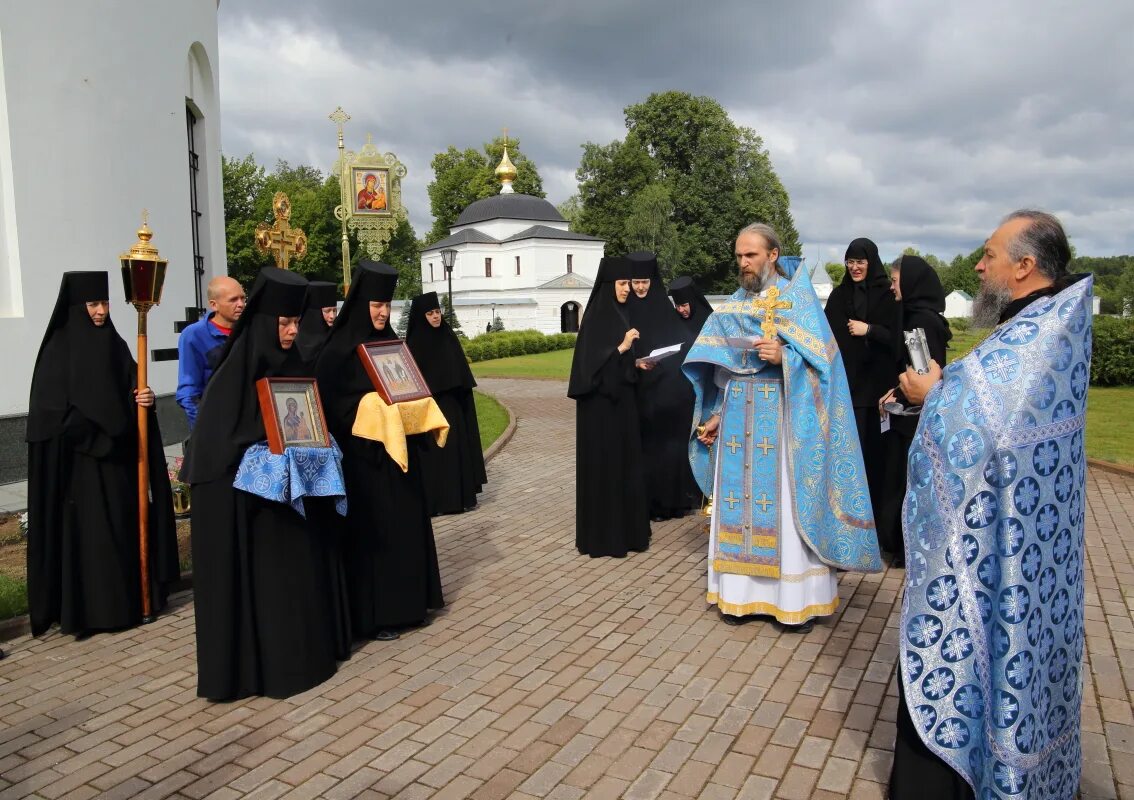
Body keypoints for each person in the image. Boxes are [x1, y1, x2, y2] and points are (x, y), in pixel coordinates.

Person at [889, 210, 1091, 799]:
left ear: (1025, 266)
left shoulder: (1040, 331)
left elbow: (979, 428)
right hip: (1029, 538)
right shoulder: (1048, 322)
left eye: (990, 256)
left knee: (973, 648)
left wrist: (932, 393)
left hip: (996, 550)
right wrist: (952, 385)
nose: (979, 267)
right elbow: (998, 406)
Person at [684, 224, 882, 633]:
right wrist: (719, 413)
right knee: (739, 506)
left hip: (785, 422)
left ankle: (793, 603)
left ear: (772, 255)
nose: (743, 263)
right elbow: (723, 370)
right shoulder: (736, 304)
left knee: (787, 511)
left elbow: (826, 367)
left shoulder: (800, 302)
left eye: (751, 255)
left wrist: (785, 357)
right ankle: (738, 597)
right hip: (740, 418)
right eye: (739, 256)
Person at [181, 267, 350, 701]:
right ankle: (260, 669)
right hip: (246, 509)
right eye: (284, 323)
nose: (293, 331)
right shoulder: (233, 372)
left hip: (290, 505)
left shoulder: (291, 362)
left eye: (296, 322)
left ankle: (303, 656)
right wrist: (262, 456)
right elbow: (220, 445)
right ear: (263, 323)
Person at [25, 271, 180, 637]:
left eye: (105, 303)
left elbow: (131, 388)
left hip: (120, 464)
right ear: (77, 307)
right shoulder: (57, 351)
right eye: (93, 304)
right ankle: (94, 612)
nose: (100, 311)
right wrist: (95, 435)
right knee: (92, 540)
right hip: (82, 468)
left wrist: (145, 401)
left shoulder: (116, 344)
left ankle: (133, 601)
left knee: (124, 533)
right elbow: (50, 415)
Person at [316, 260, 444, 640]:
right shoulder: (337, 350)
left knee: (406, 530)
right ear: (360, 305)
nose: (383, 312)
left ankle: (411, 604)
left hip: (401, 461)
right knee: (377, 537)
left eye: (387, 305)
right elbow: (330, 407)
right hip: (364, 466)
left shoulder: (393, 345)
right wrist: (369, 407)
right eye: (376, 305)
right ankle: (380, 616)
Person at [568, 256, 651, 558]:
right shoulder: (594, 320)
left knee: (625, 470)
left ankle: (628, 533)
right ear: (607, 286)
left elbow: (616, 366)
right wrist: (622, 349)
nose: (627, 289)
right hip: (600, 415)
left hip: (623, 410)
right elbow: (588, 375)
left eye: (628, 283)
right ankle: (604, 538)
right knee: (605, 472)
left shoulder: (621, 315)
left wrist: (636, 363)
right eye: (621, 283)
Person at [875, 255, 951, 566]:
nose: (892, 288)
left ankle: (901, 547)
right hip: (911, 411)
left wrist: (899, 393)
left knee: (902, 481)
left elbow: (921, 373)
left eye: (895, 282)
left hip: (912, 420)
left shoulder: (918, 322)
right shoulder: (924, 316)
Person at [823, 238, 898, 517]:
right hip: (848, 391)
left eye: (860, 262)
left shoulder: (887, 295)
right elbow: (826, 339)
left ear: (871, 262)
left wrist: (869, 330)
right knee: (850, 457)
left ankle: (877, 520)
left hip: (879, 391)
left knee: (877, 457)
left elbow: (896, 338)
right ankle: (848, 517)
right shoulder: (839, 296)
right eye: (850, 261)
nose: (855, 267)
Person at [626, 251, 701, 520]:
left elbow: (681, 343)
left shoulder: (662, 308)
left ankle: (669, 501)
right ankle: (644, 502)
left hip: (665, 390)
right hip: (636, 389)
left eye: (645, 281)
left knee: (666, 448)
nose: (641, 287)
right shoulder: (623, 309)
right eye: (636, 282)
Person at [406, 291, 487, 515]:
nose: (435, 317)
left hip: (452, 407)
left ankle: (457, 499)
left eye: (438, 312)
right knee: (433, 456)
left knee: (454, 453)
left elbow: (460, 373)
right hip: (428, 411)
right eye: (430, 313)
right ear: (421, 316)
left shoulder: (447, 336)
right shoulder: (414, 344)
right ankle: (435, 502)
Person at [176, 276, 246, 429]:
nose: (240, 304)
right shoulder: (194, 335)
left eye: (242, 298)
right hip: (214, 424)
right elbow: (189, 391)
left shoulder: (249, 331)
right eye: (233, 300)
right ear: (214, 305)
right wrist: (204, 430)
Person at [296, 280, 338, 363]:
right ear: (315, 314)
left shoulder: (337, 336)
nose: (332, 316)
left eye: (334, 310)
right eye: (327, 311)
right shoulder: (300, 344)